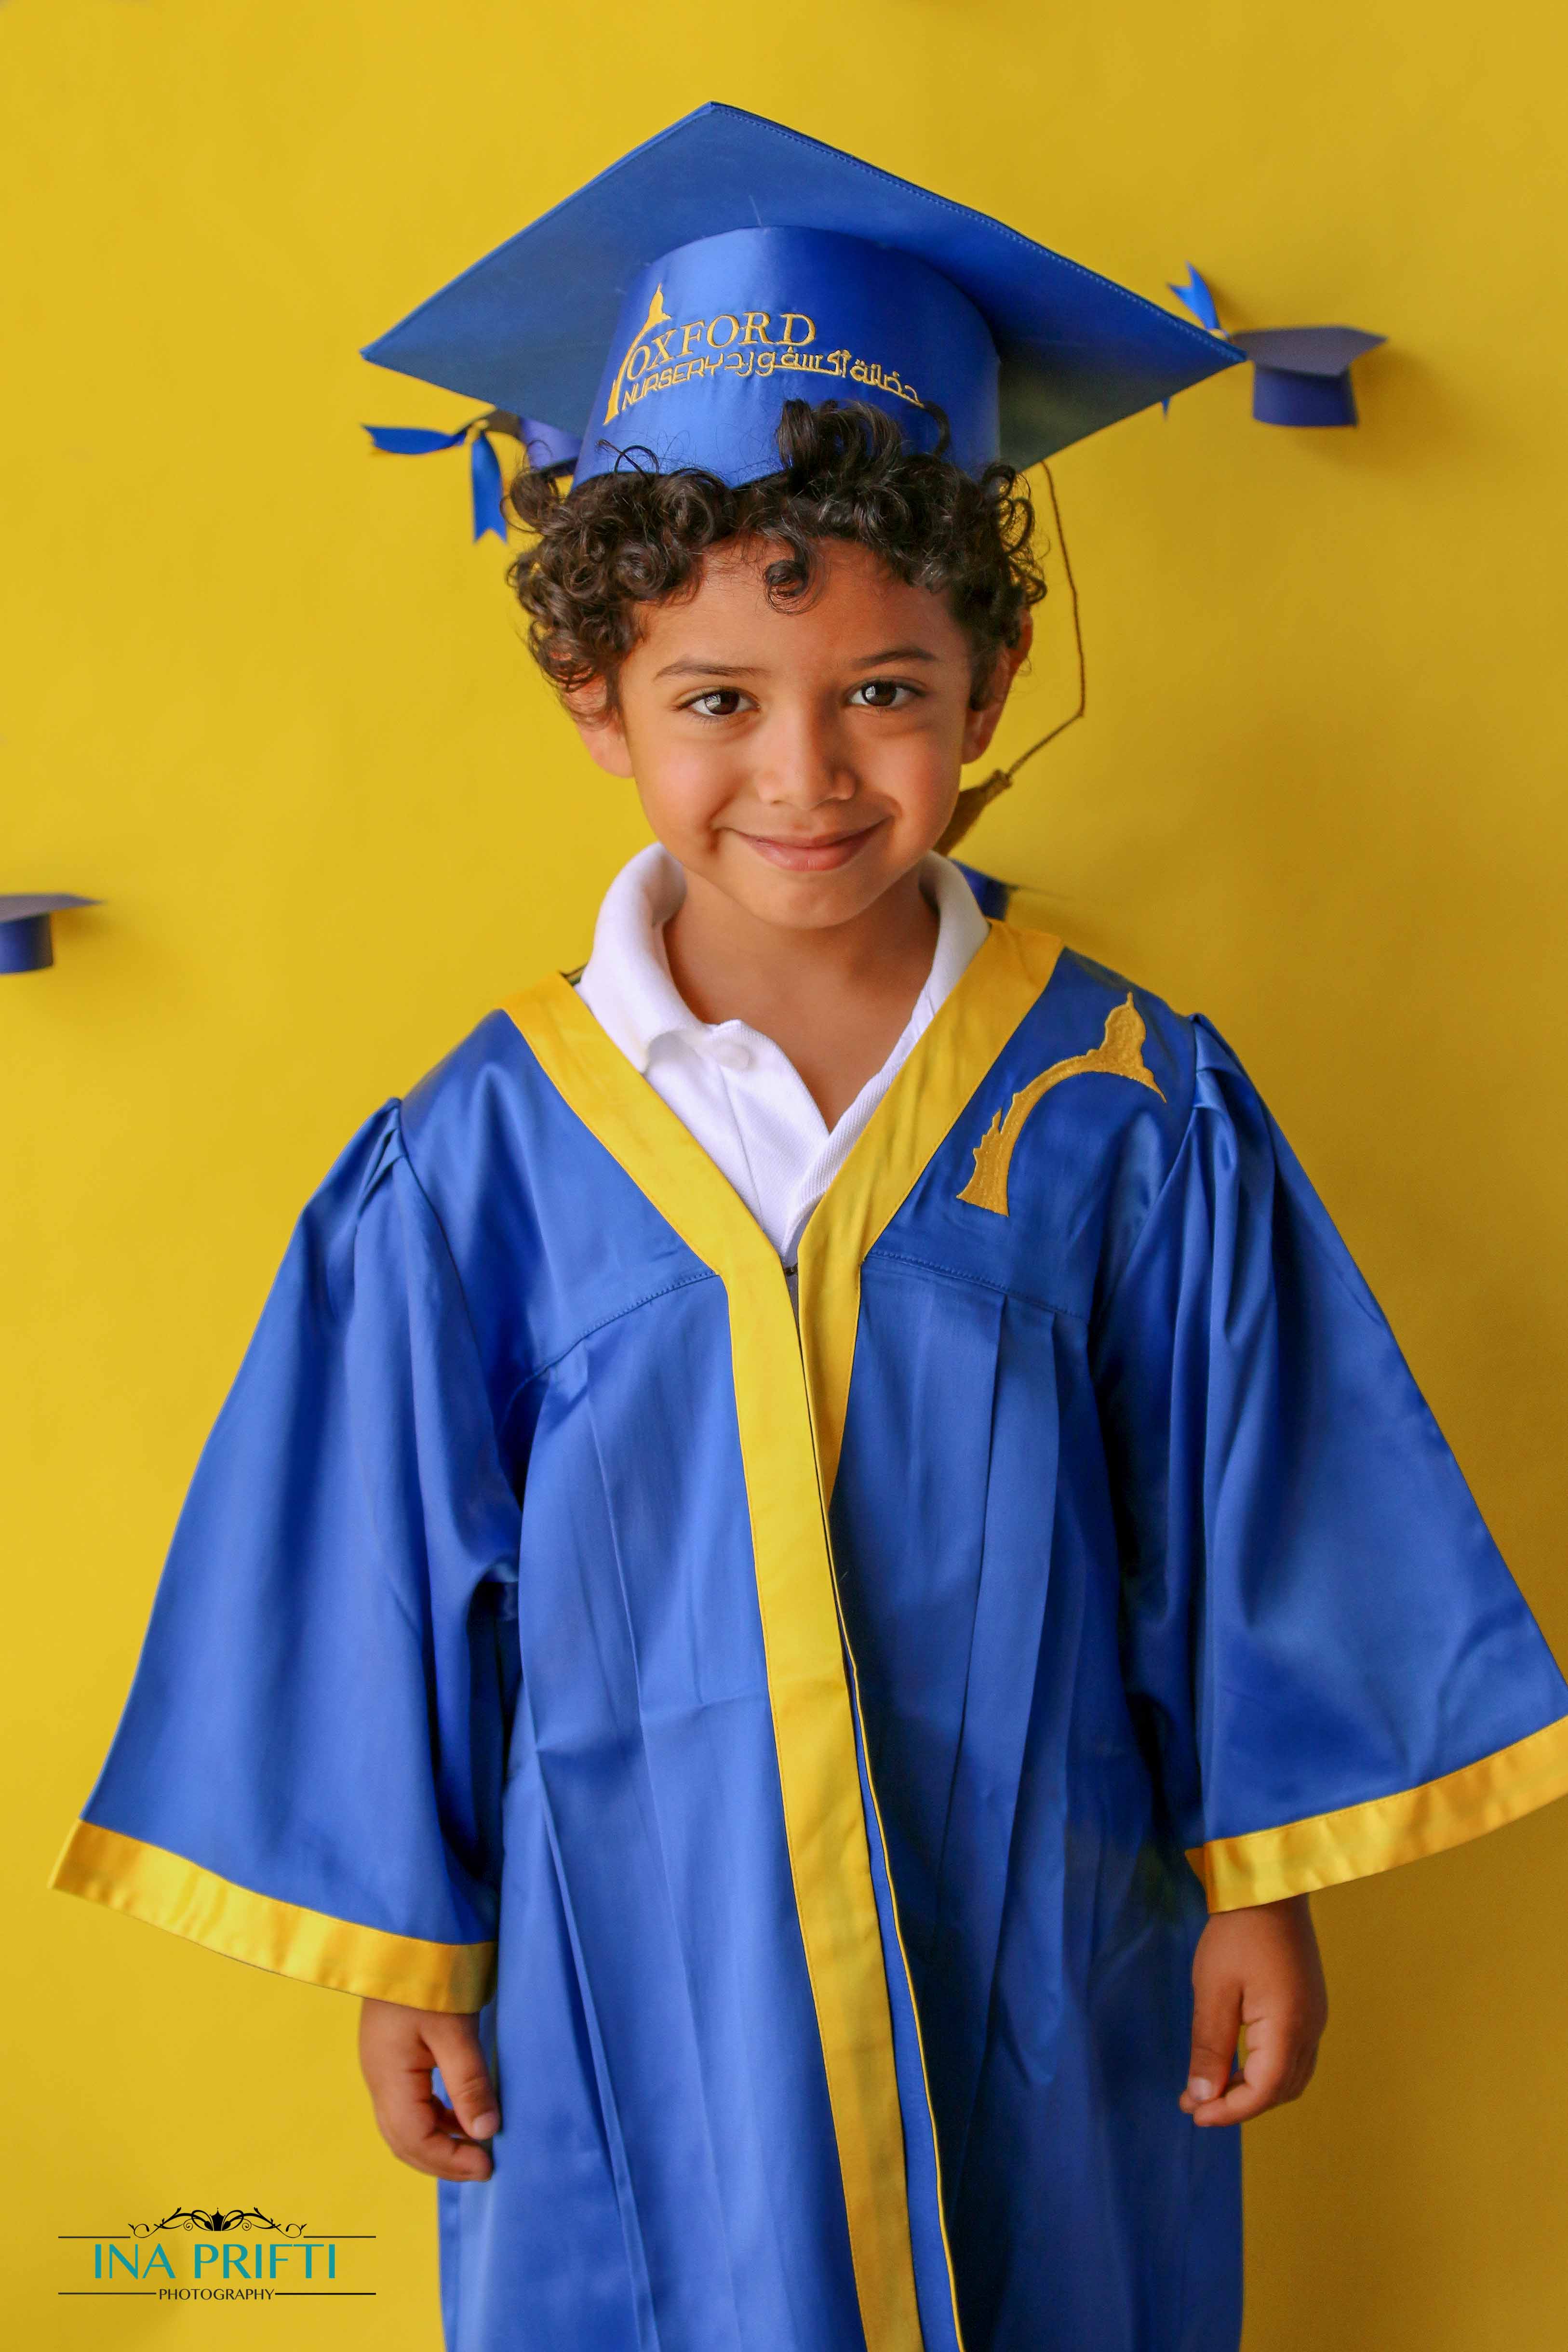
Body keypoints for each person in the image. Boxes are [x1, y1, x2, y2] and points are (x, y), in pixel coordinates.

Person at [50, 104, 1568, 2352]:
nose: (805, 774)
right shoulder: (481, 1147)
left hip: (1045, 1944)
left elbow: (1249, 1508)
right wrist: (406, 1950)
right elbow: (370, 1564)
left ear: (983, 681)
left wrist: (1269, 1886)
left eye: (885, 693)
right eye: (715, 704)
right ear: (596, 703)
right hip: (616, 1962)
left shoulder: (1121, 1099)